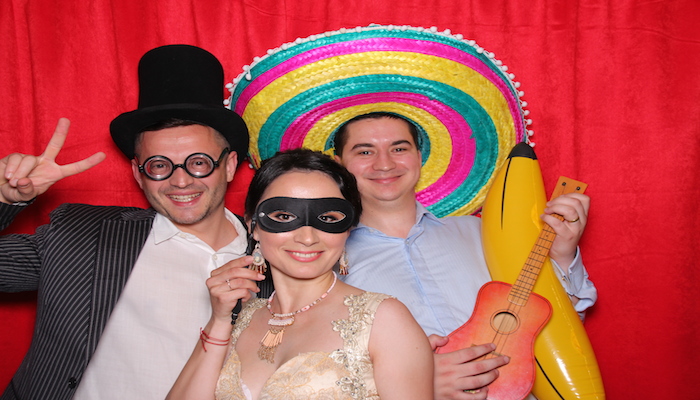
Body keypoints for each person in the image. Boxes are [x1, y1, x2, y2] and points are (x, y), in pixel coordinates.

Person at [0, 45, 270, 400]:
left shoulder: (279, 256)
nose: (180, 181)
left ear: (230, 165)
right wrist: (4, 200)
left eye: (198, 162)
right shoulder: (81, 235)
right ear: (138, 173)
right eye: (159, 165)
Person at [334, 112, 597, 400]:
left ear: (419, 158)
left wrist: (562, 255)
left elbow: (559, 331)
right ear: (340, 165)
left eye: (399, 148)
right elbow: (314, 369)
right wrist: (410, 382)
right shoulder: (326, 260)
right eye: (365, 151)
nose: (384, 163)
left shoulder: (486, 233)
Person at [167, 149, 433, 400]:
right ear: (253, 225)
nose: (307, 238)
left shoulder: (383, 320)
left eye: (328, 219)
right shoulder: (242, 318)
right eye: (284, 216)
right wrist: (220, 321)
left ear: (348, 229)